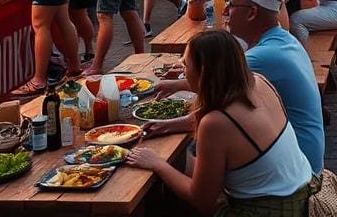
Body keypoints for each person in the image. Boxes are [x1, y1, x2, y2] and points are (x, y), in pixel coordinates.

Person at [126, 30, 314, 214]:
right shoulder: (260, 82)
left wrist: (157, 163)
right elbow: (235, 121)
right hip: (303, 191)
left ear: (204, 72)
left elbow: (200, 199)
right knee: (185, 163)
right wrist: (172, 124)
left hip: (268, 209)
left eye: (185, 65)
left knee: (167, 190)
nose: (184, 71)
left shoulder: (215, 124)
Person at [153, 0, 323, 174]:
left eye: (231, 6)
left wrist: (164, 126)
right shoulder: (283, 39)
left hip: (300, 168)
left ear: (252, 13)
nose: (225, 11)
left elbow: (213, 91)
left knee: (184, 152)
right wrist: (181, 79)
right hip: (302, 155)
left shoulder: (262, 56)